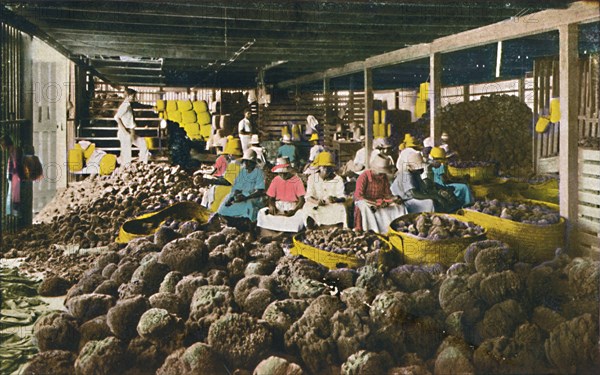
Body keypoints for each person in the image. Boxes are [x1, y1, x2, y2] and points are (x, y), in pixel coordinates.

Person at [354, 154, 406, 234]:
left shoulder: (383, 177)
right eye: (381, 172)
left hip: (381, 201)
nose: (382, 174)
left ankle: (396, 229)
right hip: (368, 202)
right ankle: (372, 231)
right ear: (375, 169)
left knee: (399, 206)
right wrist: (376, 203)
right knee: (363, 205)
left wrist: (394, 198)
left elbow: (387, 193)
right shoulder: (364, 177)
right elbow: (359, 196)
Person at [257, 157, 306, 234]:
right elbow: (271, 197)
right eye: (280, 173)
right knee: (261, 212)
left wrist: (294, 211)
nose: (282, 175)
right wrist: (271, 205)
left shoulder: (297, 180)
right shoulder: (276, 179)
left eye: (284, 173)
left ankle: (284, 233)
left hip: (292, 206)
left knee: (300, 215)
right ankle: (275, 233)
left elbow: (301, 200)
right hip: (278, 205)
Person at [218, 149, 266, 225]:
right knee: (225, 205)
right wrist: (232, 197)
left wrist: (246, 197)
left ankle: (248, 223)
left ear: (253, 163)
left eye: (248, 161)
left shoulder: (258, 173)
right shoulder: (243, 171)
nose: (246, 163)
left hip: (253, 197)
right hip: (241, 196)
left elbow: (259, 192)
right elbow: (237, 187)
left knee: (249, 207)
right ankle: (229, 221)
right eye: (245, 161)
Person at [302, 152, 348, 228]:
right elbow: (309, 196)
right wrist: (317, 201)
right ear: (319, 167)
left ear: (332, 168)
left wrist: (335, 199)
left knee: (341, 208)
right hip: (317, 203)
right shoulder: (312, 178)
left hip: (332, 204)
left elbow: (342, 197)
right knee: (307, 207)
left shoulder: (337, 179)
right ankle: (310, 229)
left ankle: (337, 229)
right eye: (324, 167)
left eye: (329, 167)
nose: (326, 170)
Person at [201, 137, 243, 211]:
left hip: (229, 191)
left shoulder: (236, 164)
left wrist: (210, 180)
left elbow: (227, 181)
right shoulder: (240, 162)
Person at [114, 88, 150, 165]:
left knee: (143, 143)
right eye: (133, 96)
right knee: (126, 156)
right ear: (128, 96)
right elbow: (116, 117)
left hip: (130, 131)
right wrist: (124, 131)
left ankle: (143, 163)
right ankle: (125, 172)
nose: (134, 98)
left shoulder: (128, 105)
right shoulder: (125, 106)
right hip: (126, 133)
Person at [1, 135, 22, 216]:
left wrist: (12, 175)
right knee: (12, 195)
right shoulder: (12, 150)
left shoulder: (13, 150)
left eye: (2, 143)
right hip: (13, 175)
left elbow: (15, 164)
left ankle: (13, 214)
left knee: (13, 195)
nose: (1, 146)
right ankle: (12, 213)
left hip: (14, 176)